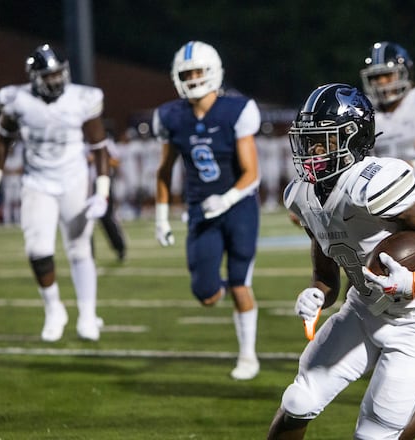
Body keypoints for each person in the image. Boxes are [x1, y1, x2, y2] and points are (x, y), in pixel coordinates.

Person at [266, 83, 415, 439]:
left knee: (376, 435)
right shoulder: (303, 195)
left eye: (323, 141)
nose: (311, 151)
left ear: (353, 138)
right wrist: (316, 294)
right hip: (362, 308)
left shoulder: (372, 185)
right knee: (298, 400)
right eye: (308, 141)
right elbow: (326, 272)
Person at [0, 44, 110, 342]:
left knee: (79, 248)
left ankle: (88, 315)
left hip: (74, 178)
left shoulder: (82, 99)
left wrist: (102, 192)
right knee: (37, 250)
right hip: (38, 181)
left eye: (59, 73)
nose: (56, 81)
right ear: (35, 78)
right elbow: (3, 143)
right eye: (48, 76)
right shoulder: (17, 101)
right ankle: (54, 309)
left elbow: (99, 147)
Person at [153, 40, 262, 380]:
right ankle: (221, 281)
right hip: (201, 211)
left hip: (238, 206)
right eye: (188, 73)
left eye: (199, 71)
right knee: (207, 295)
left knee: (242, 284)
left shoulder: (237, 110)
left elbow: (252, 173)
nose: (194, 78)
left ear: (213, 72)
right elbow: (164, 170)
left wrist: (227, 199)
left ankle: (248, 356)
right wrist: (161, 217)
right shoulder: (171, 116)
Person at [359, 41, 415, 166]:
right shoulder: (365, 113)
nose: (381, 81)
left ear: (405, 72)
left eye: (387, 74)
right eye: (375, 77)